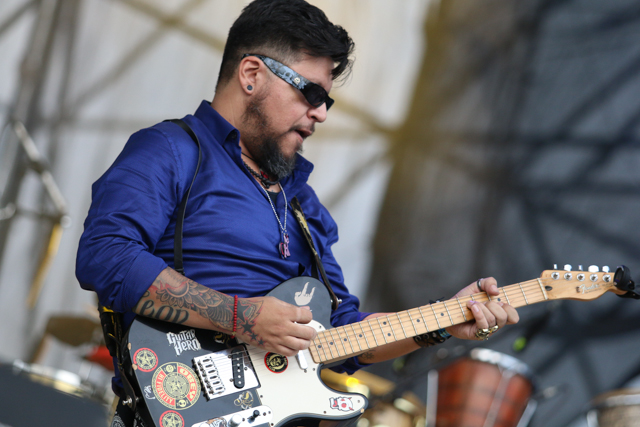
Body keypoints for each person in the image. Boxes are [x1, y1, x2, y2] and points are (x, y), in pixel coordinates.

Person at [76, 0, 519, 426]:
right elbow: (106, 256)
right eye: (310, 92)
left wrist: (446, 319)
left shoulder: (304, 205)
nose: (321, 113)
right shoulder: (171, 151)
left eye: (327, 100)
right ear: (251, 74)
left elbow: (342, 332)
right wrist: (242, 317)